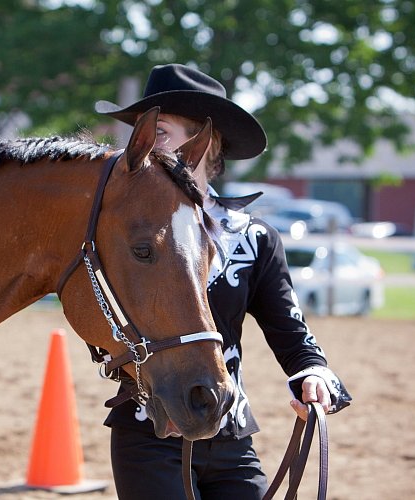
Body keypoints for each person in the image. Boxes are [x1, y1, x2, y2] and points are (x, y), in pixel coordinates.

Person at [94, 63, 352, 499]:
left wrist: (314, 376)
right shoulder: (124, 234)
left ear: (203, 144)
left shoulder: (254, 239)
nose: (141, 144)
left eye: (161, 132)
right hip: (150, 432)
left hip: (232, 436)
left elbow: (290, 332)